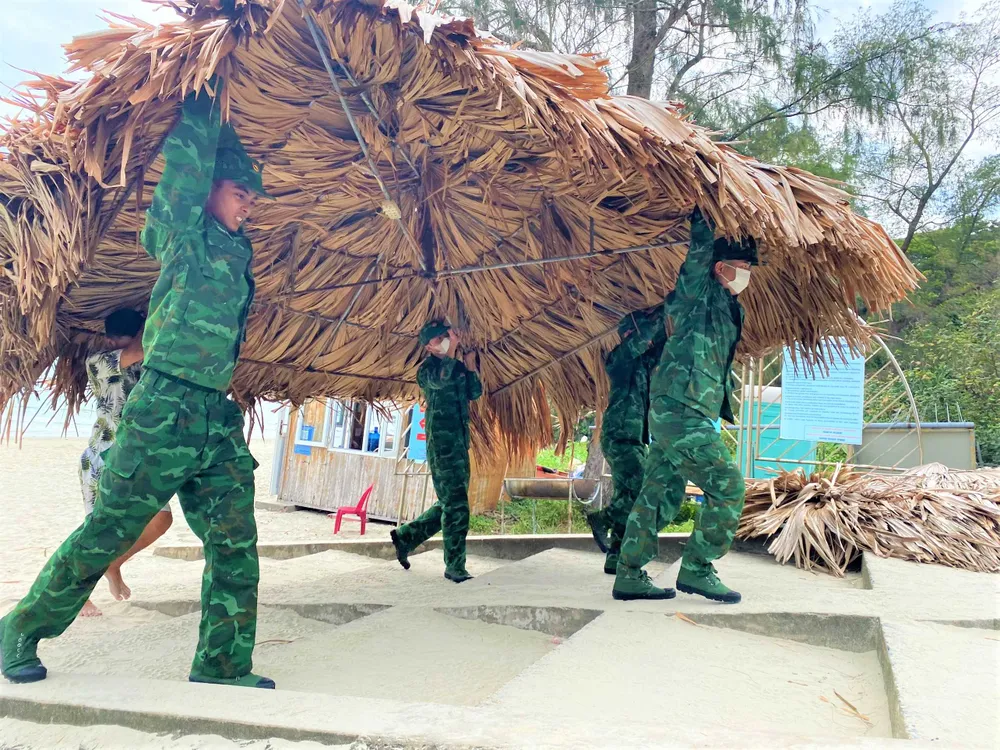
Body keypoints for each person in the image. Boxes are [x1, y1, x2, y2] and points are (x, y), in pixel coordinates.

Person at [1, 78, 274, 688]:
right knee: (110, 529)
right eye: (238, 193)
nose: (248, 204)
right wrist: (207, 103)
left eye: (252, 197)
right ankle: (20, 627)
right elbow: (183, 174)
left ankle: (223, 665)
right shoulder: (183, 234)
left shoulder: (240, 255)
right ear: (207, 193)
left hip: (214, 415)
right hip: (163, 405)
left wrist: (233, 136)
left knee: (235, 540)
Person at [612, 207, 756, 604]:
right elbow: (696, 258)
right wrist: (704, 220)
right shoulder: (695, 295)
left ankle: (628, 573)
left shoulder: (730, 308)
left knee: (660, 492)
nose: (745, 274)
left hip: (686, 410)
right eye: (740, 266)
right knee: (727, 487)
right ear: (719, 267)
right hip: (680, 409)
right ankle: (696, 567)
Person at [79, 309, 173, 618]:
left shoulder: (149, 367)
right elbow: (138, 349)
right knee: (96, 532)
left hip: (136, 458)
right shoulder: (99, 362)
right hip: (103, 456)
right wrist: (157, 313)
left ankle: (114, 564)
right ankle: (79, 594)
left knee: (161, 519)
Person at [390, 321, 482, 583]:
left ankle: (407, 536)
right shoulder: (427, 371)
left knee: (450, 502)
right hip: (442, 447)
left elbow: (475, 392)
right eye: (440, 338)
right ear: (429, 346)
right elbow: (442, 380)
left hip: (460, 444)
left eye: (446, 336)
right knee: (457, 506)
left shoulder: (457, 367)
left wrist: (471, 365)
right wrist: (453, 349)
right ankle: (455, 565)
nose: (444, 340)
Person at [585, 305, 666, 574]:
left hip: (633, 439)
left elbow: (660, 346)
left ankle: (616, 556)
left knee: (627, 493)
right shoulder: (619, 358)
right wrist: (660, 314)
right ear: (630, 333)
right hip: (620, 436)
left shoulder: (642, 363)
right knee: (642, 488)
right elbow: (642, 340)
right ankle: (601, 518)